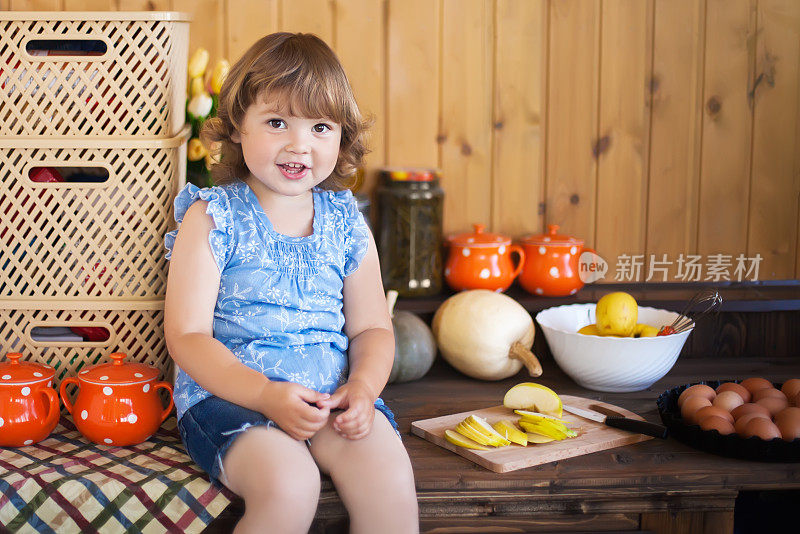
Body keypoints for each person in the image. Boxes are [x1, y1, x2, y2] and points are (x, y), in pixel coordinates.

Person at [164, 32, 419, 533]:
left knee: (388, 476)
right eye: (277, 122)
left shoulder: (346, 222)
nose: (298, 144)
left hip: (330, 396)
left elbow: (372, 329)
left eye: (320, 127)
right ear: (238, 125)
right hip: (231, 399)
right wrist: (263, 395)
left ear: (342, 137)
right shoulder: (214, 217)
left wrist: (363, 389)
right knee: (290, 485)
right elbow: (187, 337)